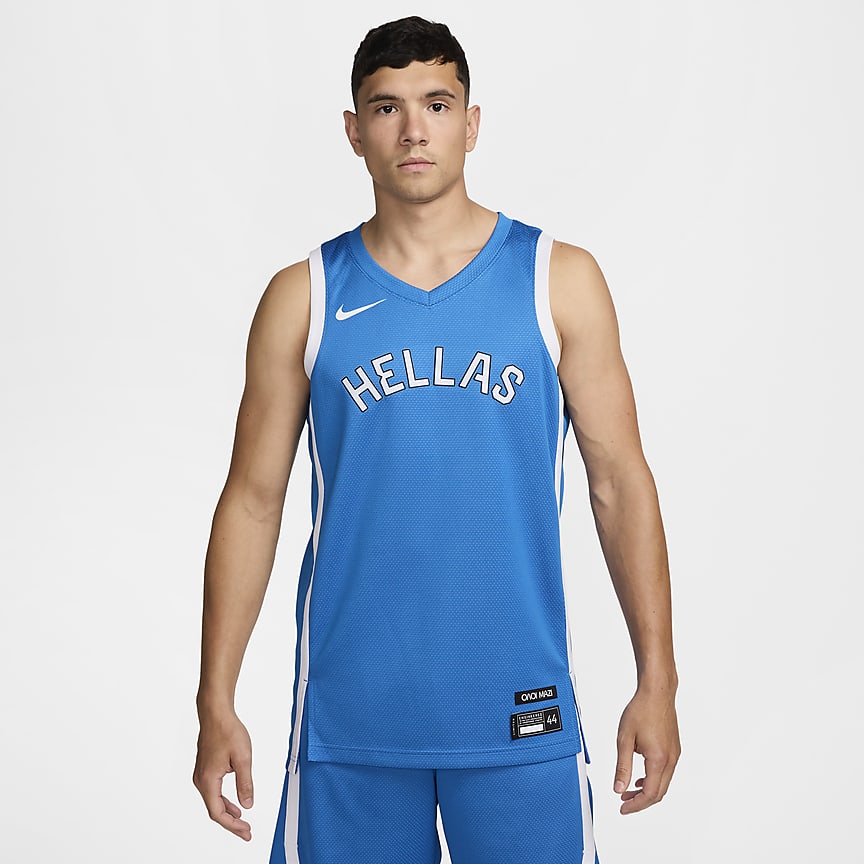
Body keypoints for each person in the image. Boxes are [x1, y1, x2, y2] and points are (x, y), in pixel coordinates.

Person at [193, 15, 680, 863]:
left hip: (521, 710)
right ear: (355, 131)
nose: (414, 130)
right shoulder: (303, 296)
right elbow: (253, 502)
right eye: (387, 108)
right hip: (350, 722)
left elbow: (619, 485)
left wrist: (658, 679)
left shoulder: (557, 279)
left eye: (437, 104)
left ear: (472, 122)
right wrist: (215, 698)